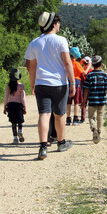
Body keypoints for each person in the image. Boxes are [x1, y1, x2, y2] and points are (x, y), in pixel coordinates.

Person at [24, 11, 76, 160]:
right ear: (54, 24)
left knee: (44, 114)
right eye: (58, 23)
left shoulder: (34, 43)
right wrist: (72, 82)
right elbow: (67, 62)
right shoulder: (61, 41)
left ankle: (43, 147)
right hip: (59, 84)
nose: (59, 25)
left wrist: (32, 84)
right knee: (59, 114)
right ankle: (61, 142)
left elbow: (31, 67)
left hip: (41, 84)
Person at [81, 55, 107, 144]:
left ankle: (94, 129)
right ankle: (99, 133)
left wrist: (84, 102)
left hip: (92, 101)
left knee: (91, 116)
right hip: (101, 101)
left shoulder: (89, 76)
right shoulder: (104, 75)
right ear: (101, 64)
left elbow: (86, 89)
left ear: (92, 65)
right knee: (100, 117)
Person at [3, 68, 27, 144]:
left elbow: (6, 97)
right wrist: (25, 107)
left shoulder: (8, 86)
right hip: (19, 105)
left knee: (13, 122)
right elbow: (23, 98)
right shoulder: (21, 86)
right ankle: (20, 131)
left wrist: (5, 107)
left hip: (11, 105)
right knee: (20, 121)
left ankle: (15, 138)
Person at [66, 47, 85, 125]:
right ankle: (75, 119)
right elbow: (84, 73)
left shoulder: (66, 63)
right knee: (76, 102)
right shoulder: (77, 64)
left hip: (67, 82)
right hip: (76, 82)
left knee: (68, 102)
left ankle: (68, 119)